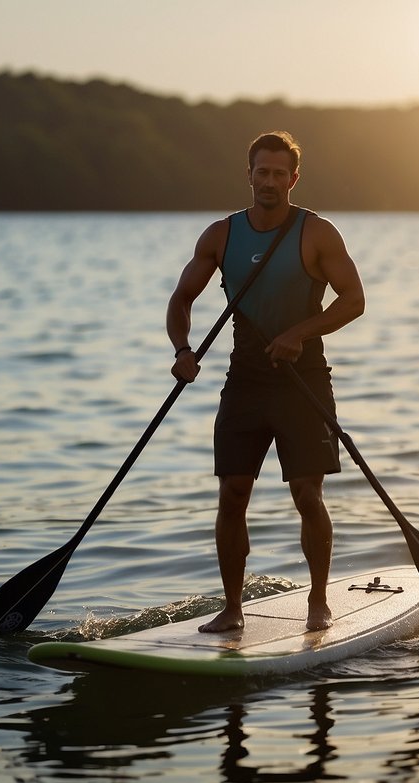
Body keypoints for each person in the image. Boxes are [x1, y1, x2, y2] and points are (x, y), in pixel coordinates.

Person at [165, 131, 365, 633]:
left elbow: (353, 299)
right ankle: (232, 609)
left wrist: (299, 331)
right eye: (262, 172)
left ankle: (318, 601)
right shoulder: (220, 236)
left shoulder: (317, 234)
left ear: (294, 179)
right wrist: (183, 350)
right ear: (248, 175)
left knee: (306, 493)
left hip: (303, 381)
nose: (270, 181)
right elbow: (181, 300)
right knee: (233, 492)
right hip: (245, 382)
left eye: (280, 173)